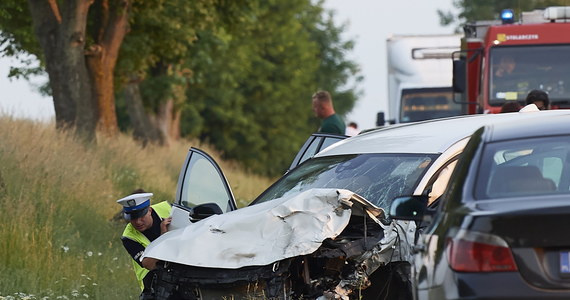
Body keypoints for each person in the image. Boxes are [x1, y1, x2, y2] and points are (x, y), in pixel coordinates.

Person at [117, 190, 172, 292]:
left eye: (141, 216)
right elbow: (149, 264)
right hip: (153, 283)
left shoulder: (167, 208)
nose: (138, 222)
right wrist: (163, 237)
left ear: (150, 210)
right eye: (132, 218)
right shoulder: (128, 237)